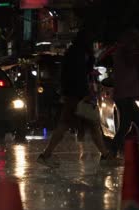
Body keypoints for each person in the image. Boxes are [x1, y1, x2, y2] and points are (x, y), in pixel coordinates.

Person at [37, 30, 111, 168]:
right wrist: (85, 93)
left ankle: (46, 155)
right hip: (77, 95)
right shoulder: (78, 54)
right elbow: (79, 76)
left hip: (73, 94)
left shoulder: (74, 52)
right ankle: (106, 156)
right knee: (90, 124)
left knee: (68, 124)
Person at [108, 27, 139, 157]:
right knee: (134, 125)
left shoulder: (122, 52)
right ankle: (113, 152)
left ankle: (113, 152)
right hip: (124, 95)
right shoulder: (125, 53)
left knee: (130, 125)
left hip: (125, 95)